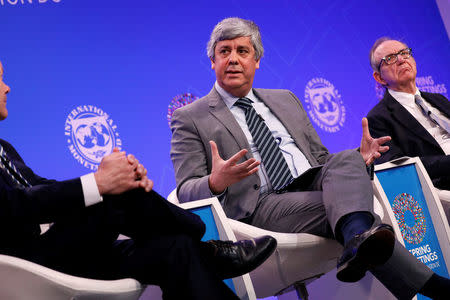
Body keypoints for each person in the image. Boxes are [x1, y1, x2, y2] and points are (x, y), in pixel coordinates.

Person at [170, 17, 450, 299]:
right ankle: (423, 280)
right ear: (212, 61)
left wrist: (360, 157)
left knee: (346, 159)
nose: (233, 59)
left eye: (242, 51)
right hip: (261, 204)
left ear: (256, 61)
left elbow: (321, 158)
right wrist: (216, 182)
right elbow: (186, 190)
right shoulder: (191, 117)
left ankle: (360, 241)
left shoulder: (285, 98)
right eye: (224, 51)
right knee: (355, 211)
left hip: (312, 182)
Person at [0, 61, 277, 300]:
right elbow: (13, 206)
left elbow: (40, 186)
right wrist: (101, 183)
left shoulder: (4, 147)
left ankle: (204, 249)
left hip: (54, 252)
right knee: (115, 192)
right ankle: (209, 245)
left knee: (177, 248)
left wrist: (108, 177)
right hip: (21, 266)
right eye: (0, 78)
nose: (7, 87)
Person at [366, 37, 450, 221]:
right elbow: (400, 166)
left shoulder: (439, 100)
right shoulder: (378, 119)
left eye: (404, 53)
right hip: (443, 183)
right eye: (390, 58)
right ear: (379, 77)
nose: (401, 59)